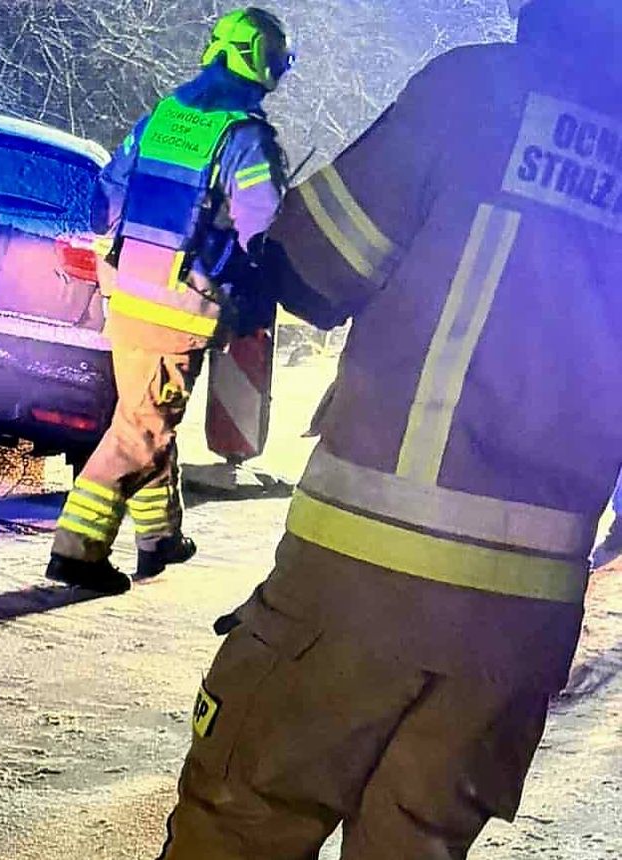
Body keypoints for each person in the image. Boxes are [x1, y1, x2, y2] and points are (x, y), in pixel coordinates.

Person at [161, 0, 622, 856]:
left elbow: (316, 267)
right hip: (517, 639)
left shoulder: (479, 90)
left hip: (357, 586)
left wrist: (243, 247)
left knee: (241, 823)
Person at [47, 8, 292, 591]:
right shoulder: (245, 138)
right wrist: (252, 287)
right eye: (280, 60)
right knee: (141, 429)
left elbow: (106, 196)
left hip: (128, 295)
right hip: (182, 304)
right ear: (259, 59)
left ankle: (160, 538)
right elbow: (267, 230)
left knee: (145, 414)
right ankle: (77, 552)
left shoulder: (165, 115)